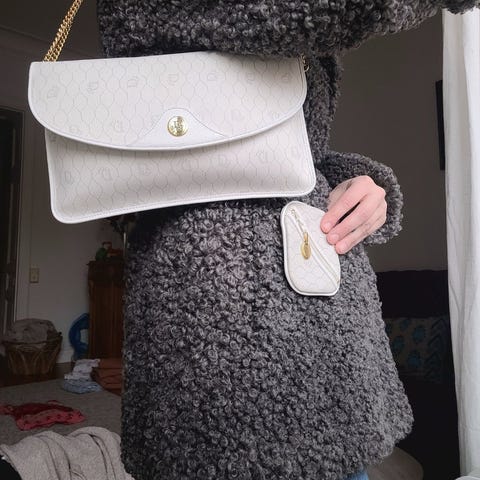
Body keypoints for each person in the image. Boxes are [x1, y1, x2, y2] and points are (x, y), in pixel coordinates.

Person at [97, 1, 479, 479]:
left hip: (332, 335)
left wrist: (365, 187)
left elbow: (288, 154)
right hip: (216, 334)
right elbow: (323, 10)